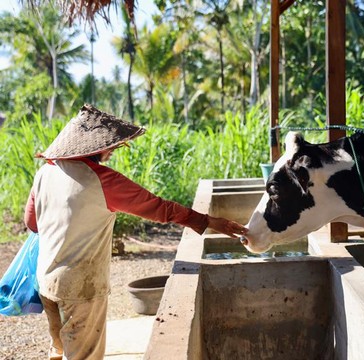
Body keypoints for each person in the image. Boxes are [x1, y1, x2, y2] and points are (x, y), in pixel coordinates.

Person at [22, 104, 247, 360]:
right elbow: (160, 208)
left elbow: (32, 223)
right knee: (83, 355)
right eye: (111, 145)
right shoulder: (104, 181)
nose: (113, 150)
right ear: (97, 147)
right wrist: (208, 221)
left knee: (58, 349)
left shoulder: (45, 172)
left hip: (46, 279)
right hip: (80, 287)